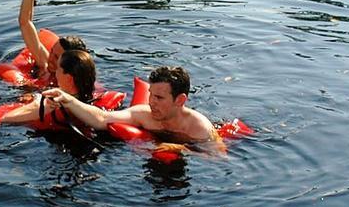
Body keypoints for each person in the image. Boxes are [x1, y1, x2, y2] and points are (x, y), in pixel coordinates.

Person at [43, 65, 224, 151]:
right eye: (151, 94)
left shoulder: (199, 128)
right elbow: (101, 119)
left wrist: (181, 149)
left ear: (180, 100)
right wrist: (67, 99)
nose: (151, 101)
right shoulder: (145, 114)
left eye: (159, 97)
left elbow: (219, 159)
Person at [18, 0, 88, 87]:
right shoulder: (45, 65)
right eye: (52, 53)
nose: (50, 58)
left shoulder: (75, 88)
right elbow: (25, 22)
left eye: (56, 57)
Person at [0, 49, 96, 128]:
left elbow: (5, 119)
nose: (56, 72)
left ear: (69, 78)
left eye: (58, 69)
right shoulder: (91, 99)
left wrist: (37, 101)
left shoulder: (52, 105)